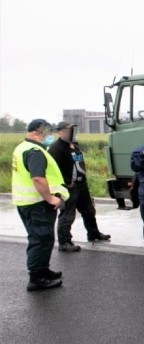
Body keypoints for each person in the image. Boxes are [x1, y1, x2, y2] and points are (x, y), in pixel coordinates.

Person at [11, 119, 69, 291]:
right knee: (40, 239)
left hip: (26, 202)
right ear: (38, 131)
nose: (50, 135)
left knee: (43, 238)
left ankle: (44, 270)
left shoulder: (21, 147)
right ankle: (36, 278)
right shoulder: (34, 151)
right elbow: (37, 177)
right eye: (48, 132)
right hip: (37, 204)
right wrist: (51, 198)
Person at [48, 122, 111, 252]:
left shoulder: (74, 145)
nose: (72, 132)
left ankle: (93, 234)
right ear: (60, 132)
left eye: (73, 130)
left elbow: (79, 163)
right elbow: (53, 170)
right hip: (69, 187)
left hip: (81, 184)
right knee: (68, 215)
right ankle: (64, 242)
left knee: (89, 211)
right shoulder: (56, 148)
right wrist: (66, 183)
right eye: (69, 130)